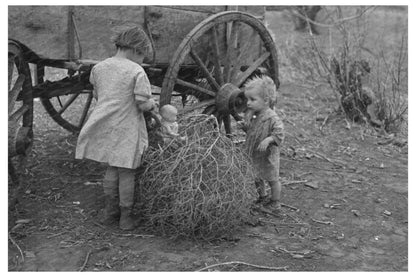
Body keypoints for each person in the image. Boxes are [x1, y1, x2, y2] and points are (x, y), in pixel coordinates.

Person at [75, 26, 156, 230]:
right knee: (127, 170)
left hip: (106, 125)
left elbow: (97, 94)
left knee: (111, 167)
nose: (142, 60)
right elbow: (142, 103)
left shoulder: (99, 68)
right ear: (137, 49)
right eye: (142, 55)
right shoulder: (136, 70)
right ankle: (126, 217)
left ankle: (109, 212)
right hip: (126, 128)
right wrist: (152, 105)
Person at [240, 75, 284, 210]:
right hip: (256, 153)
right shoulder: (255, 115)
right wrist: (245, 127)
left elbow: (279, 133)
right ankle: (262, 196)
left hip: (267, 155)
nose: (248, 103)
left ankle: (275, 201)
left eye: (252, 99)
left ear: (265, 100)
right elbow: (254, 131)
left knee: (272, 178)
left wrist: (269, 139)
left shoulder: (272, 117)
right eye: (247, 99)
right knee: (257, 176)